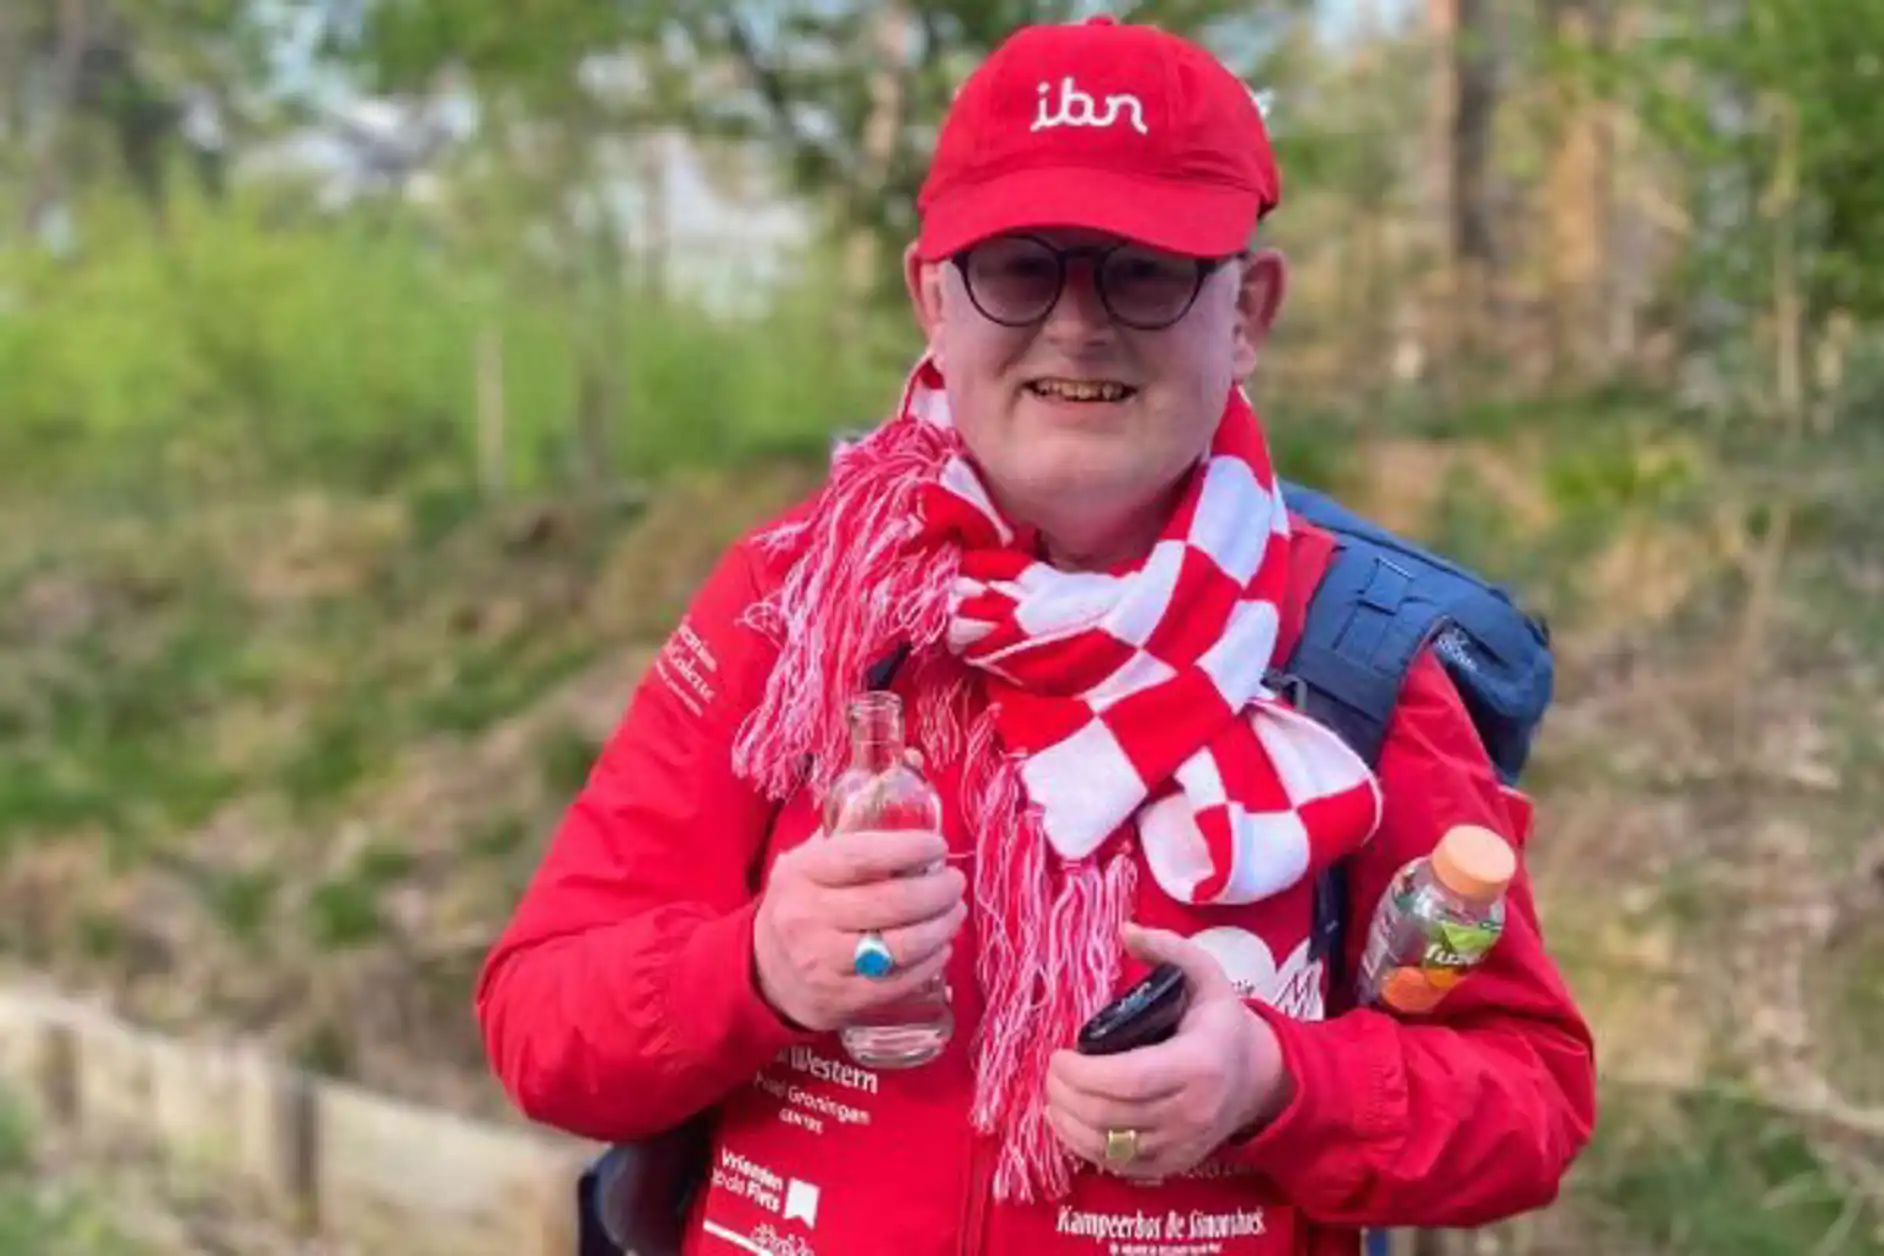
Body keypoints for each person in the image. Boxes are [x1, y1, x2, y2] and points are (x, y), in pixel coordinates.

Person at [476, 15, 1597, 1256]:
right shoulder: (784, 606)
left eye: (1146, 268)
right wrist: (755, 967)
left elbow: (1532, 1097)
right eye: (1019, 266)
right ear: (931, 302)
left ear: (1247, 314)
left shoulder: (1348, 650)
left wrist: (1278, 1080)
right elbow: (539, 1022)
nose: (1077, 325)